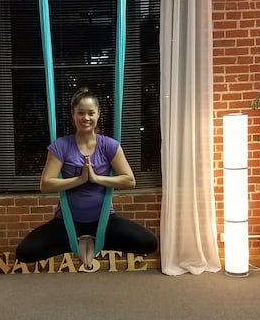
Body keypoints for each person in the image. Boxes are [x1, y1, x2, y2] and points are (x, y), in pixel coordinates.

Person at [15, 87, 158, 269]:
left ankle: (97, 239)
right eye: (80, 113)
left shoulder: (109, 146)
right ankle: (76, 241)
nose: (86, 118)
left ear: (98, 114)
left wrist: (95, 178)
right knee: (26, 252)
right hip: (67, 222)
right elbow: (46, 185)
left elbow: (129, 180)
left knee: (148, 243)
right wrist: (79, 180)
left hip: (104, 221)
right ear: (73, 115)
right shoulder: (61, 146)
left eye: (91, 113)